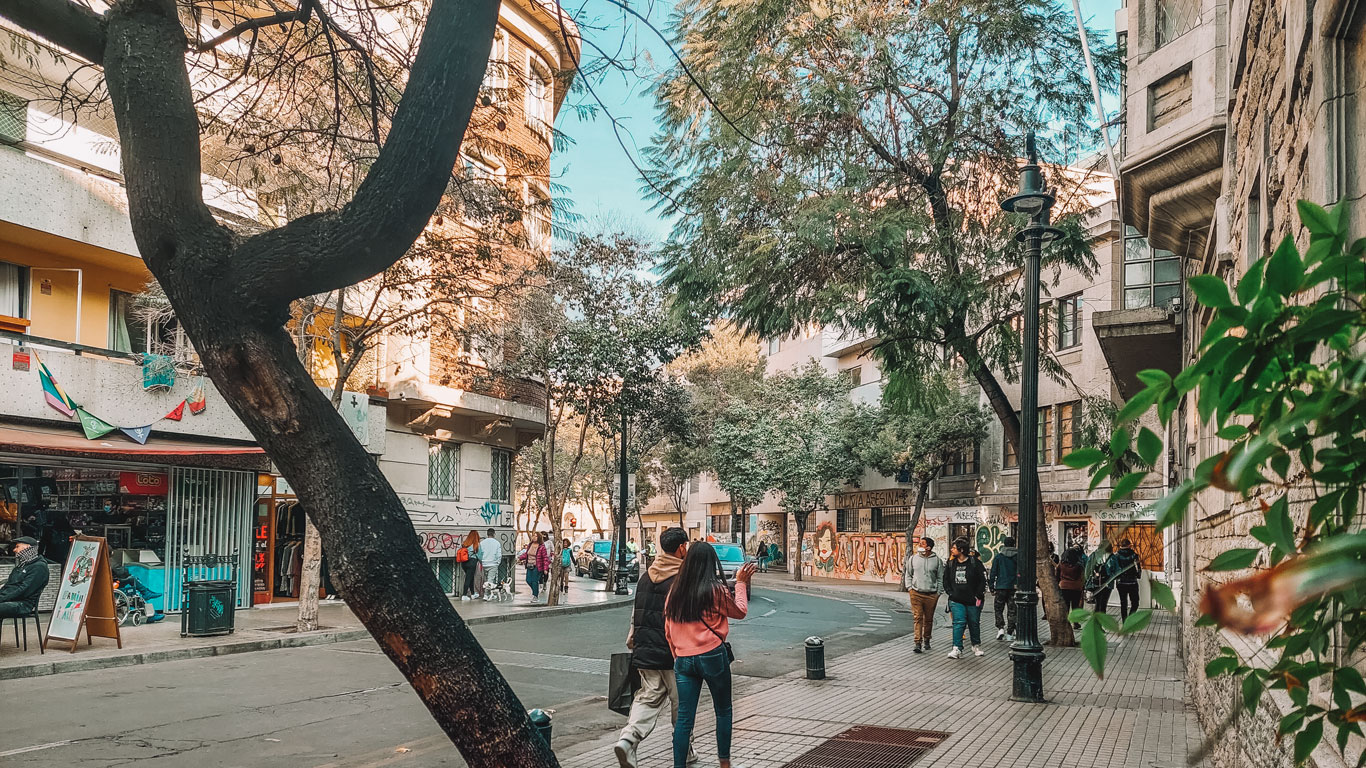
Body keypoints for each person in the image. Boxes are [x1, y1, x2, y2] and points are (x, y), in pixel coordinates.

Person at [666, 543, 755, 768]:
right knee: (723, 709)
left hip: (683, 659)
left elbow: (668, 630)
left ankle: (679, 765)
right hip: (712, 655)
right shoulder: (715, 591)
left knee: (685, 718)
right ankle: (724, 762)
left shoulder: (675, 592)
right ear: (710, 563)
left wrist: (677, 656)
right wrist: (742, 583)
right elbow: (740, 611)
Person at [615, 528, 698, 768]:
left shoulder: (646, 576)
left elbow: (635, 614)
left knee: (648, 697)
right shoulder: (683, 579)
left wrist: (633, 642)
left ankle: (628, 739)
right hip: (674, 653)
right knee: (681, 703)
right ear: (682, 548)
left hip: (644, 650)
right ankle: (685, 749)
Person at [943, 537, 986, 659]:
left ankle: (976, 645)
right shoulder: (951, 564)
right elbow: (946, 579)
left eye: (954, 548)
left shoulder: (974, 563)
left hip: (972, 600)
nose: (952, 550)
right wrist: (950, 593)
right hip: (956, 600)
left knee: (974, 623)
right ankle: (957, 648)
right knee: (958, 623)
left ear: (961, 550)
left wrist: (978, 594)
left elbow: (982, 580)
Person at [903, 536, 943, 654]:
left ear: (929, 547)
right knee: (918, 617)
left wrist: (938, 592)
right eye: (920, 544)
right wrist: (910, 588)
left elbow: (940, 577)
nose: (920, 546)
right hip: (916, 593)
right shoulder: (913, 559)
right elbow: (908, 574)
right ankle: (917, 642)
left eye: (923, 544)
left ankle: (927, 639)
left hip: (931, 594)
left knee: (928, 619)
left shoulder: (937, 560)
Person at [0, 536, 49, 619]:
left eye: (17, 546)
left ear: (27, 547)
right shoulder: (21, 565)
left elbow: (24, 590)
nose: (14, 550)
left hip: (23, 604)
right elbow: (9, 585)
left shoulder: (39, 567)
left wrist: (2, 598)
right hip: (10, 600)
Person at [988, 536, 1019, 642]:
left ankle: (1000, 628)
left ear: (1004, 545)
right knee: (1012, 610)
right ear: (1014, 544)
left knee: (998, 609)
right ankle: (1010, 632)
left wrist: (991, 586)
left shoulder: (999, 557)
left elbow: (993, 573)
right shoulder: (1018, 557)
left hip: (1000, 587)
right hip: (1013, 587)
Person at [1057, 546, 1087, 628]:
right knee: (1075, 606)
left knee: (1065, 606)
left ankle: (1065, 622)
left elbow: (1057, 576)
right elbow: (1082, 577)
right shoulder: (1079, 566)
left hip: (1064, 587)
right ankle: (1075, 622)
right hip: (1076, 588)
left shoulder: (1061, 564)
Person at [1112, 538, 1142, 619]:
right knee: (1135, 603)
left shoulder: (1116, 555)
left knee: (1123, 603)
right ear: (1129, 545)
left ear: (1121, 545)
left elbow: (1114, 568)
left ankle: (1124, 621)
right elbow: (1138, 568)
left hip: (1121, 582)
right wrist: (1138, 575)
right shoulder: (1134, 555)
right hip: (1132, 582)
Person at [521, 532, 550, 600]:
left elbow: (545, 558)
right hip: (529, 565)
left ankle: (535, 595)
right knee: (528, 580)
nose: (534, 537)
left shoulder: (541, 547)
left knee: (534, 581)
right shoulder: (530, 545)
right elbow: (526, 554)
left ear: (539, 538)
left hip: (537, 566)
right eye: (533, 535)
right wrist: (520, 557)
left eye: (536, 536)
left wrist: (545, 569)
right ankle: (535, 589)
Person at [1089, 543, 1115, 616]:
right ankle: (1100, 623)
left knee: (1097, 604)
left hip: (1096, 582)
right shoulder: (1113, 557)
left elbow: (1089, 568)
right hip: (1107, 583)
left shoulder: (1094, 556)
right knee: (1103, 604)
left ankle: (1095, 623)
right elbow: (1116, 570)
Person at [478, 529, 503, 599]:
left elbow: (479, 554)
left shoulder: (482, 543)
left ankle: (489, 594)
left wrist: (481, 562)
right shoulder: (497, 543)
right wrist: (498, 562)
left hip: (484, 563)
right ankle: (486, 595)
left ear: (487, 534)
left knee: (486, 580)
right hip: (493, 563)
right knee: (490, 580)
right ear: (494, 534)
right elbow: (499, 555)